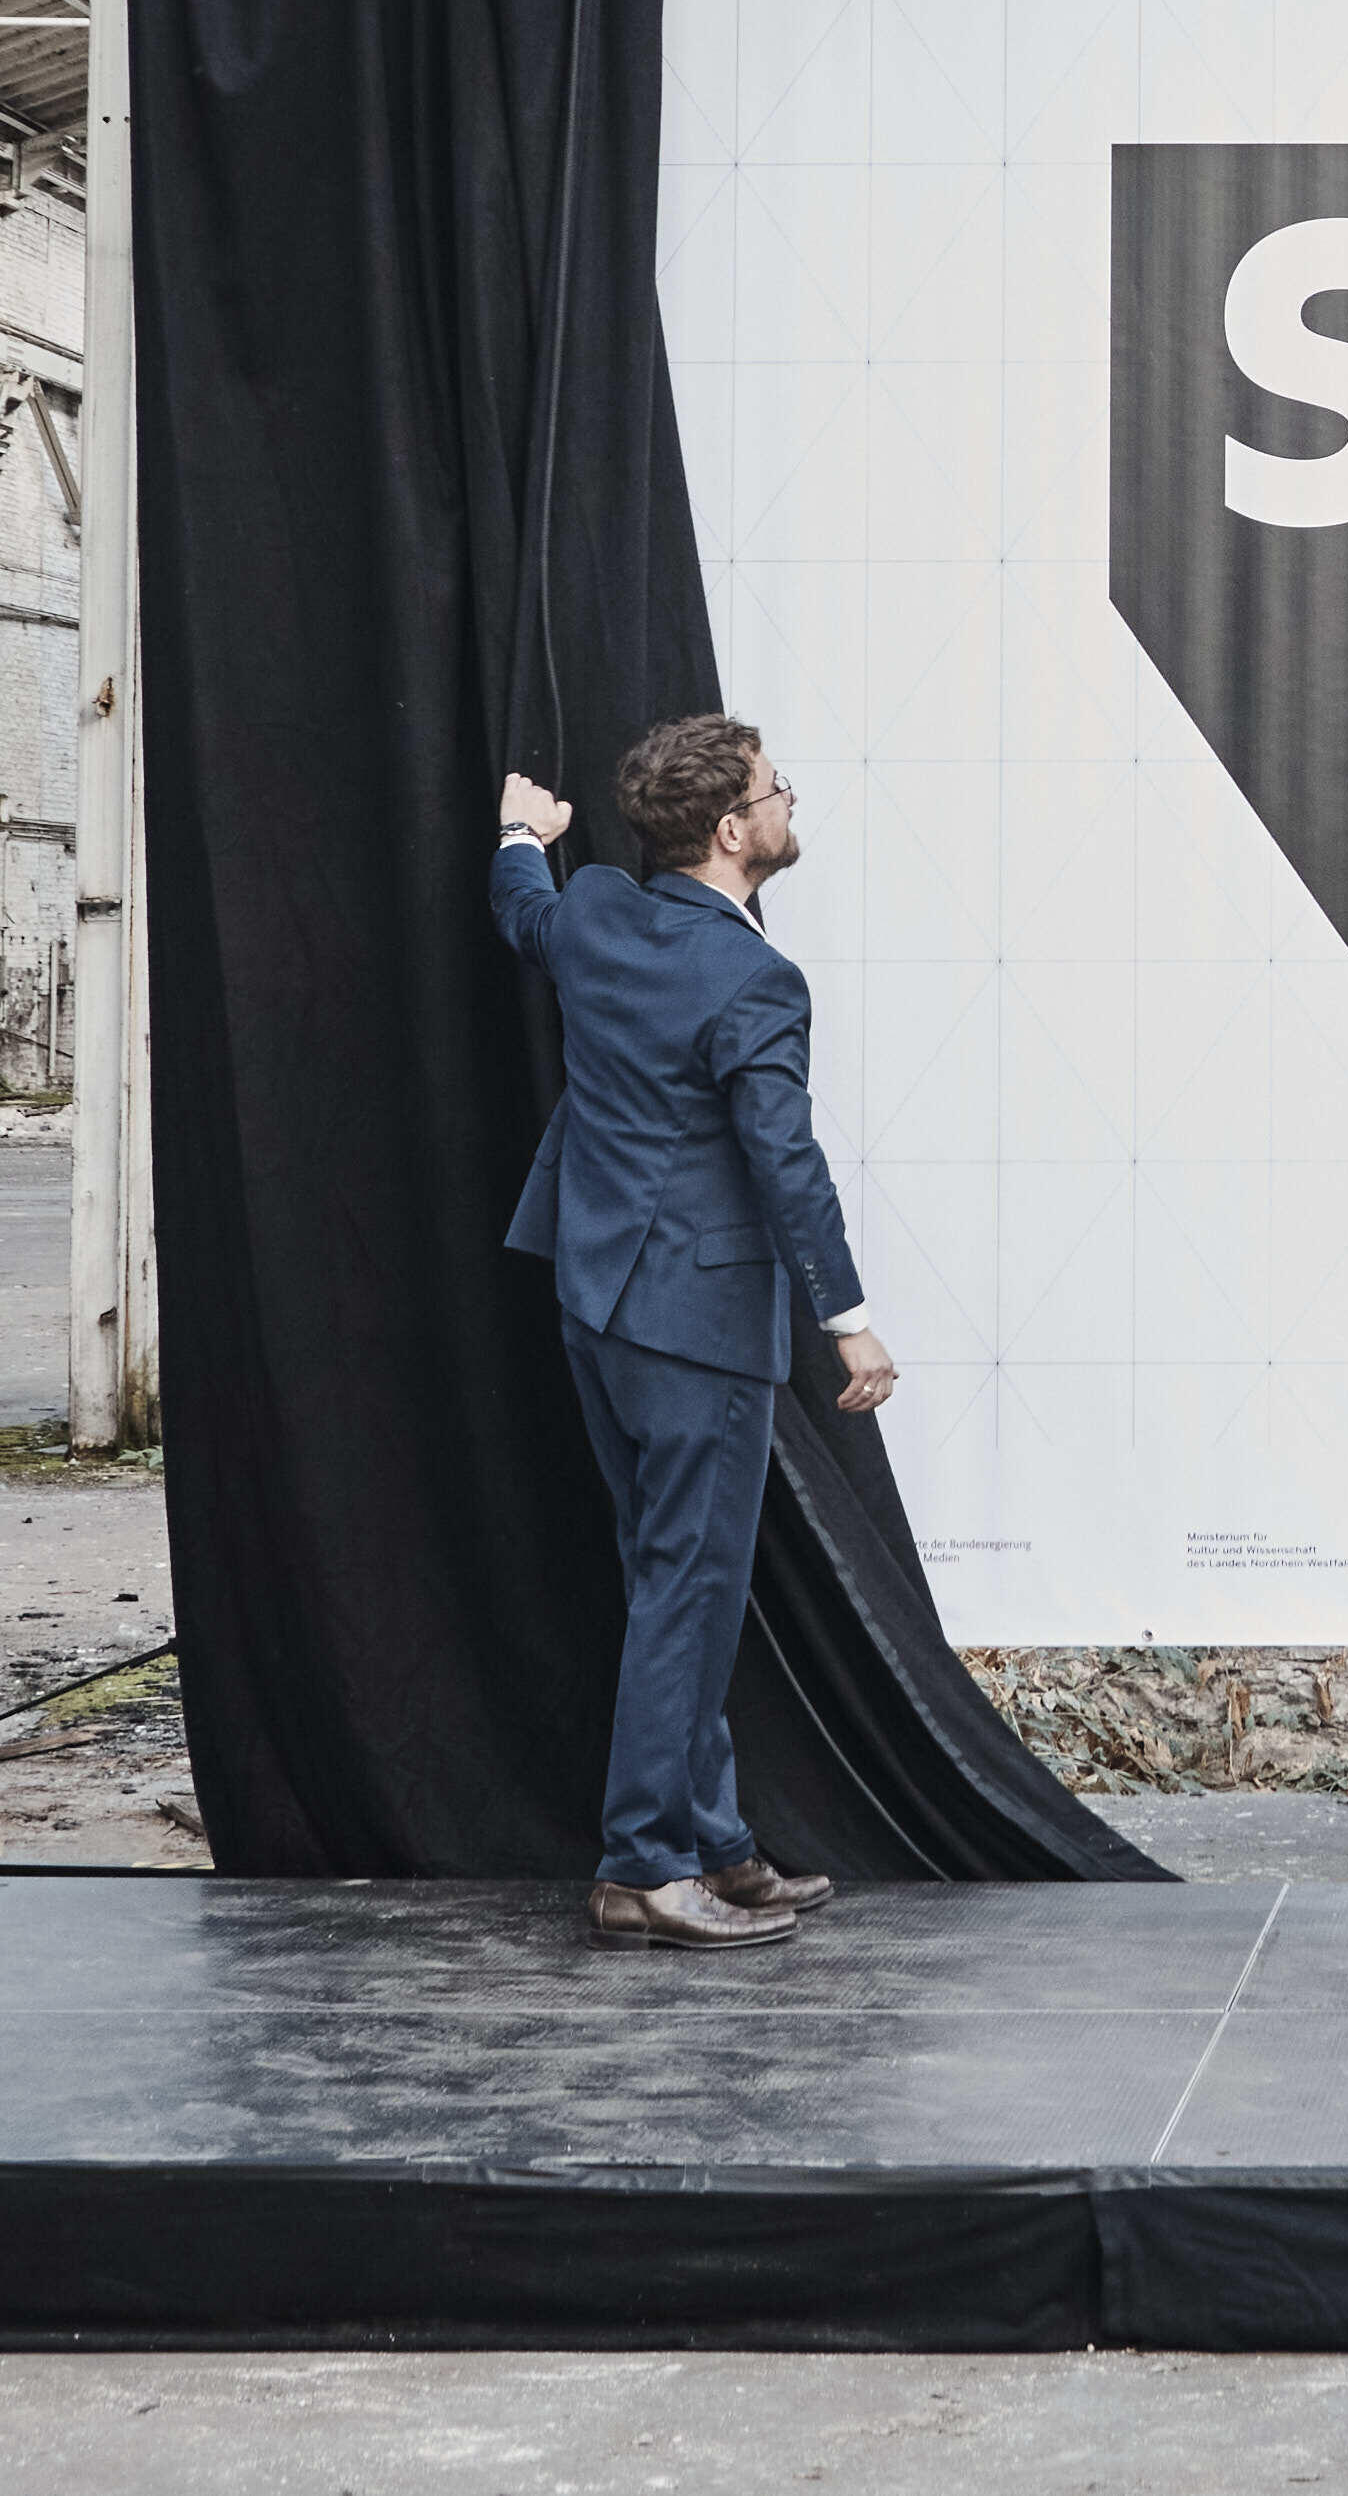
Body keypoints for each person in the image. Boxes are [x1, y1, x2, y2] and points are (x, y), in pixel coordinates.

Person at [494, 714, 900, 1952]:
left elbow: (526, 908)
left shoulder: (600, 912)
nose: (790, 801)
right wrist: (852, 1324)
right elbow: (786, 1160)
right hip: (693, 1324)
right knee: (688, 1586)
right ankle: (642, 1866)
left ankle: (715, 1842)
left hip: (595, 1302)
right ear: (733, 829)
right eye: (780, 787)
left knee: (672, 1580)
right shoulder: (755, 979)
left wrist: (521, 829)